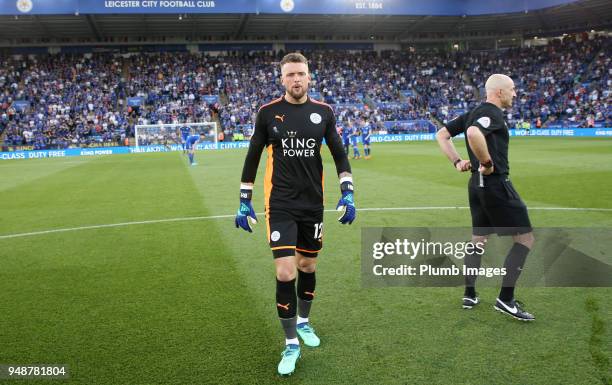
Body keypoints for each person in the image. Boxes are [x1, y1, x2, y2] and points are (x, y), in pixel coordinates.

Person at [235, 52, 356, 375]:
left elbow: (339, 153)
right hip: (281, 204)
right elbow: (253, 155)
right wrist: (244, 198)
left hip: (312, 204)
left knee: (308, 264)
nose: (296, 79)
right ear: (282, 79)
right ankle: (290, 343)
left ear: (309, 77)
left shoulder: (324, 112)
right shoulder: (268, 113)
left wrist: (349, 192)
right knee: (286, 271)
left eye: (301, 74)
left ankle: (303, 321)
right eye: (290, 75)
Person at [435, 73, 535, 321]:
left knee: (478, 240)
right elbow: (472, 133)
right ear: (499, 92)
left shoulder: (474, 111)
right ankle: (506, 299)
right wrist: (487, 163)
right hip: (496, 185)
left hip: (476, 187)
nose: (515, 94)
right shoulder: (492, 113)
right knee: (525, 239)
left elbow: (442, 135)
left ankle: (470, 293)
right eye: (512, 89)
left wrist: (458, 161)